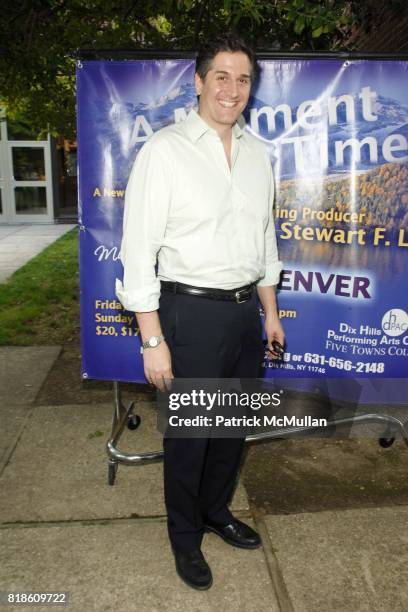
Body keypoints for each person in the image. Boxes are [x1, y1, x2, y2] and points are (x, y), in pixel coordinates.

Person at [116, 32, 284, 590]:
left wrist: (270, 312)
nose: (232, 89)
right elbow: (137, 249)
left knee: (231, 431)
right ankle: (184, 538)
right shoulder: (164, 150)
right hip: (187, 315)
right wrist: (151, 338)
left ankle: (215, 512)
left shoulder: (261, 155)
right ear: (198, 81)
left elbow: (264, 244)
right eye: (222, 76)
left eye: (243, 79)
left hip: (242, 317)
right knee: (191, 439)